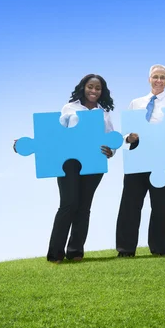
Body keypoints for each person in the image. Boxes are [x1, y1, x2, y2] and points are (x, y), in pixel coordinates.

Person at [13, 74, 117, 263]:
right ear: (83, 87)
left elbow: (111, 138)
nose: (94, 91)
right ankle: (55, 254)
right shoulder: (69, 108)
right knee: (68, 204)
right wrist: (27, 143)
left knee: (84, 207)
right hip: (69, 163)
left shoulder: (104, 113)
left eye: (98, 88)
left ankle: (76, 251)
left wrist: (112, 151)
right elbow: (56, 134)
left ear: (102, 92)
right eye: (90, 87)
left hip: (94, 163)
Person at [116, 64, 165, 258]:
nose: (159, 80)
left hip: (162, 157)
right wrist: (129, 138)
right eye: (155, 77)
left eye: (162, 77)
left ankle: (159, 247)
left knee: (160, 203)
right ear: (149, 79)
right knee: (130, 203)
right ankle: (125, 249)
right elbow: (126, 130)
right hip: (137, 154)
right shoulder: (136, 103)